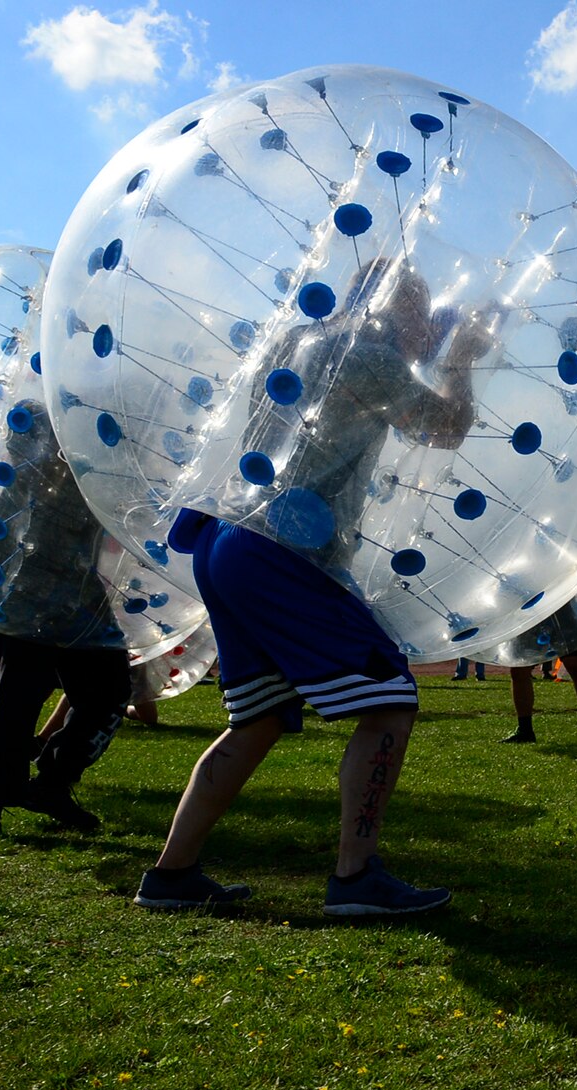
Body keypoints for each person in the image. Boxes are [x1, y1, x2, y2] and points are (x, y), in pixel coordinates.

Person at [135, 260, 491, 915]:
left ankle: (171, 874)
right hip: (281, 551)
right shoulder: (372, 356)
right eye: (417, 305)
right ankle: (356, 878)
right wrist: (462, 357)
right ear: (386, 304)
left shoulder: (302, 341)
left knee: (258, 720)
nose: (425, 321)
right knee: (390, 699)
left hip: (227, 538)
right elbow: (447, 428)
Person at [0, 402, 133, 839]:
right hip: (25, 597)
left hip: (79, 597)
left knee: (109, 692)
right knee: (18, 701)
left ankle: (52, 784)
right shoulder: (25, 474)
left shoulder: (88, 470)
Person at [498, 604, 577, 744]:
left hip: (561, 611)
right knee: (518, 670)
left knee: (575, 667)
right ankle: (525, 730)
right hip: (526, 615)